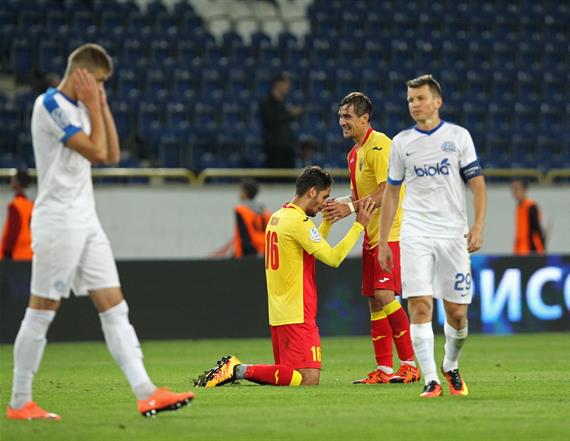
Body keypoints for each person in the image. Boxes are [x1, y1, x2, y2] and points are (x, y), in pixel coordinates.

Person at [6, 44, 194, 421]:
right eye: (99, 81)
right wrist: (93, 106)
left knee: (114, 306)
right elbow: (94, 152)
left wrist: (101, 105)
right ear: (81, 75)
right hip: (58, 220)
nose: (100, 88)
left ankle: (146, 392)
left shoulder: (85, 107)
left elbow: (111, 156)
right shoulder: (50, 105)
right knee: (42, 310)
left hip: (86, 219)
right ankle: (19, 401)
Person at [194, 166, 376, 387]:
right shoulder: (298, 222)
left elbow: (310, 249)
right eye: (324, 197)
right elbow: (333, 258)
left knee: (292, 376)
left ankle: (237, 370)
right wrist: (359, 225)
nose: (324, 204)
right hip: (297, 311)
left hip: (280, 312)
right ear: (312, 192)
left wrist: (327, 223)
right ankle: (237, 369)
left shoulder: (278, 217)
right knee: (308, 379)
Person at [377, 74, 487, 398]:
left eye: (420, 98)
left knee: (457, 313)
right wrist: (383, 241)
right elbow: (391, 194)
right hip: (415, 234)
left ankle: (450, 365)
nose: (414, 104)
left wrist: (478, 226)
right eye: (410, 100)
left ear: (437, 102)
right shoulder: (402, 143)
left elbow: (477, 185)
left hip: (453, 234)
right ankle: (430, 379)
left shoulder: (458, 137)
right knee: (420, 306)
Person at [323, 92, 418, 384]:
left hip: (391, 233)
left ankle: (410, 365)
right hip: (370, 234)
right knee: (375, 301)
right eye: (340, 116)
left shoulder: (381, 145)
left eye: (347, 116)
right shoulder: (354, 154)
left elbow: (387, 191)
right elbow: (360, 195)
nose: (342, 122)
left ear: (365, 118)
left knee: (385, 294)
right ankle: (385, 370)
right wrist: (339, 205)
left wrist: (351, 208)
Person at [212, 178, 272, 258]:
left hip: (248, 253)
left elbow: (244, 235)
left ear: (245, 193)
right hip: (265, 251)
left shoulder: (241, 210)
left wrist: (253, 253)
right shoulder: (265, 211)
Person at [259, 72, 303, 169]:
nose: (288, 87)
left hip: (287, 147)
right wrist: (290, 114)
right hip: (274, 148)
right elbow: (270, 121)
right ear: (278, 83)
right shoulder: (266, 102)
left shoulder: (284, 103)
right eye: (286, 84)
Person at [0, 169, 34, 261]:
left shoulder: (15, 205)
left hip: (17, 254)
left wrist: (5, 252)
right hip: (30, 252)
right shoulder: (31, 204)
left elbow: (12, 232)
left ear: (17, 182)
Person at [511, 178, 546, 255]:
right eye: (513, 189)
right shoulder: (519, 207)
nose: (514, 192)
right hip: (519, 251)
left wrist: (540, 250)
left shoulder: (531, 206)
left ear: (525, 189)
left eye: (517, 189)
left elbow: (536, 231)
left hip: (530, 251)